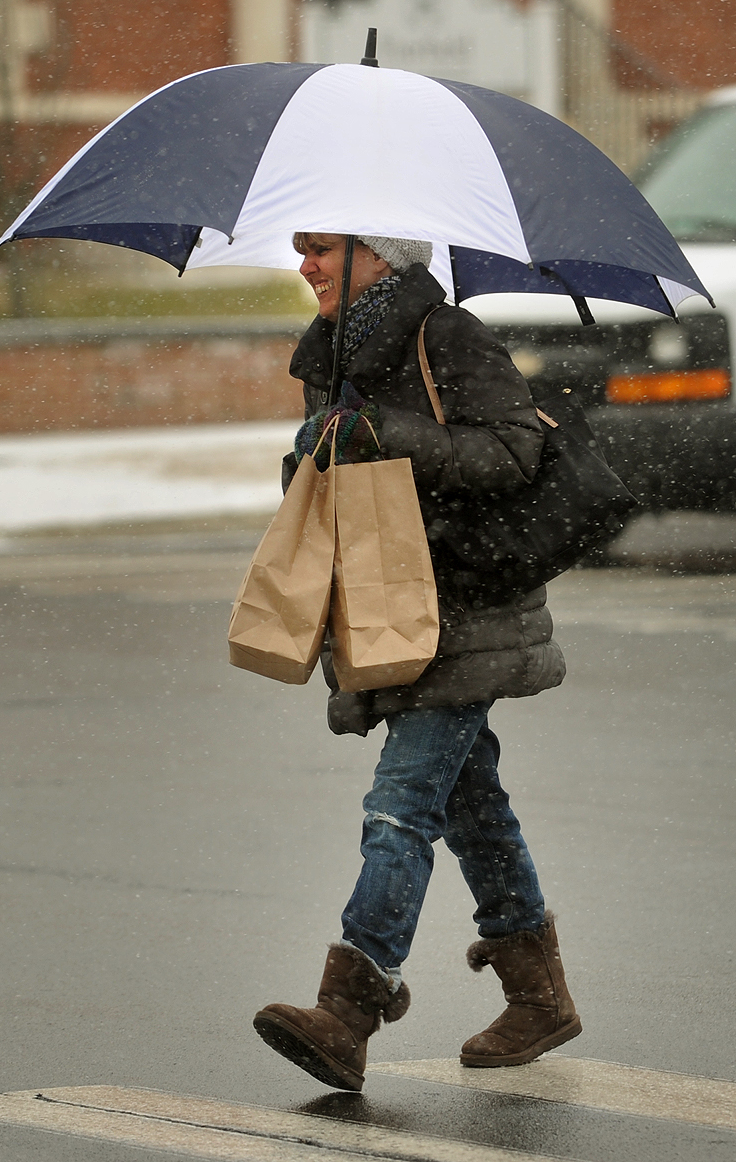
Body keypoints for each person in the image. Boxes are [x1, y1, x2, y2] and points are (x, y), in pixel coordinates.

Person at [252, 233, 580, 1092]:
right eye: (301, 250)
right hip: (389, 606)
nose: (306, 267)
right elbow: (341, 478)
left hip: (464, 607)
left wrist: (383, 433)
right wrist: (316, 449)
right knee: (471, 803)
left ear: (380, 256)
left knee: (400, 807)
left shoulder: (451, 336)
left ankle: (352, 1008)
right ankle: (537, 994)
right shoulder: (333, 354)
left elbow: (515, 452)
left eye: (321, 249)